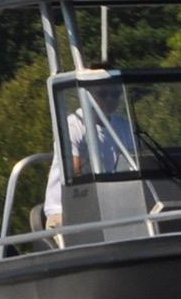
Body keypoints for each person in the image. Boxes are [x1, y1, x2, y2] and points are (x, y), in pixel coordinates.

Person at [44, 82, 135, 230]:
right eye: (103, 94)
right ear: (88, 94)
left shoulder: (124, 127)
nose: (110, 99)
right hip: (65, 212)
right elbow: (76, 176)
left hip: (110, 210)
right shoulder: (73, 125)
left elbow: (138, 164)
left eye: (115, 95)